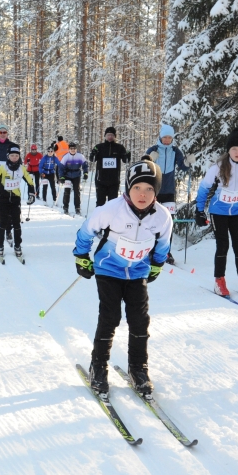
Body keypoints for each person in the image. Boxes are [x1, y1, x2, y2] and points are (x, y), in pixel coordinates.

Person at [73, 156, 172, 396]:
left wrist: (157, 264)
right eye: (137, 187)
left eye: (149, 189)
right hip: (108, 269)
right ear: (128, 187)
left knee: (140, 320)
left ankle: (138, 368)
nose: (142, 194)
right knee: (110, 316)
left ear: (156, 191)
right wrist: (81, 256)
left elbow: (162, 244)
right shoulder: (111, 210)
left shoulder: (162, 216)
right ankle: (98, 366)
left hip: (137, 272)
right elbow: (86, 230)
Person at [195, 128, 238, 297]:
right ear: (228, 150)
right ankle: (219, 280)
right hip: (219, 212)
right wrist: (199, 211)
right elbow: (204, 188)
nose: (237, 152)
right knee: (223, 245)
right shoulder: (218, 167)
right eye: (234, 149)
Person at [146, 124, 196, 264]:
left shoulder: (175, 151)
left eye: (169, 137)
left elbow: (183, 166)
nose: (167, 140)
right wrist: (150, 160)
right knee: (152, 221)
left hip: (168, 191)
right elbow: (144, 166)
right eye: (165, 137)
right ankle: (151, 249)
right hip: (153, 191)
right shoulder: (153, 149)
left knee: (168, 222)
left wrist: (187, 162)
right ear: (160, 137)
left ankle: (166, 252)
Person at [0, 144, 35, 258]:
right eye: (12, 155)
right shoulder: (3, 168)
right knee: (3, 223)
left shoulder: (21, 169)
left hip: (15, 199)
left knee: (16, 223)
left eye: (16, 156)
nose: (14, 158)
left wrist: (31, 194)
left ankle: (17, 245)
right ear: (8, 156)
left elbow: (30, 181)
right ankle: (0, 245)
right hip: (3, 198)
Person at [89, 126, 131, 206]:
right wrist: (93, 154)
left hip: (114, 181)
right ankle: (99, 218)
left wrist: (128, 156)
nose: (110, 137)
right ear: (105, 136)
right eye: (108, 135)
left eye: (112, 135)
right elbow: (92, 159)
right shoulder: (99, 147)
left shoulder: (119, 147)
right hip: (100, 180)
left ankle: (111, 218)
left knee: (113, 204)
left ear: (115, 136)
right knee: (100, 203)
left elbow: (125, 161)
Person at [58, 142, 89, 215]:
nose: (73, 150)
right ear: (69, 149)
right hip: (67, 175)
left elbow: (85, 165)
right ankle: (65, 207)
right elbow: (61, 168)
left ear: (76, 149)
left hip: (76, 175)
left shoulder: (80, 156)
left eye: (74, 148)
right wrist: (61, 176)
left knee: (77, 191)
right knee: (67, 191)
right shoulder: (66, 156)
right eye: (71, 149)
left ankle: (77, 207)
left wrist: (85, 173)